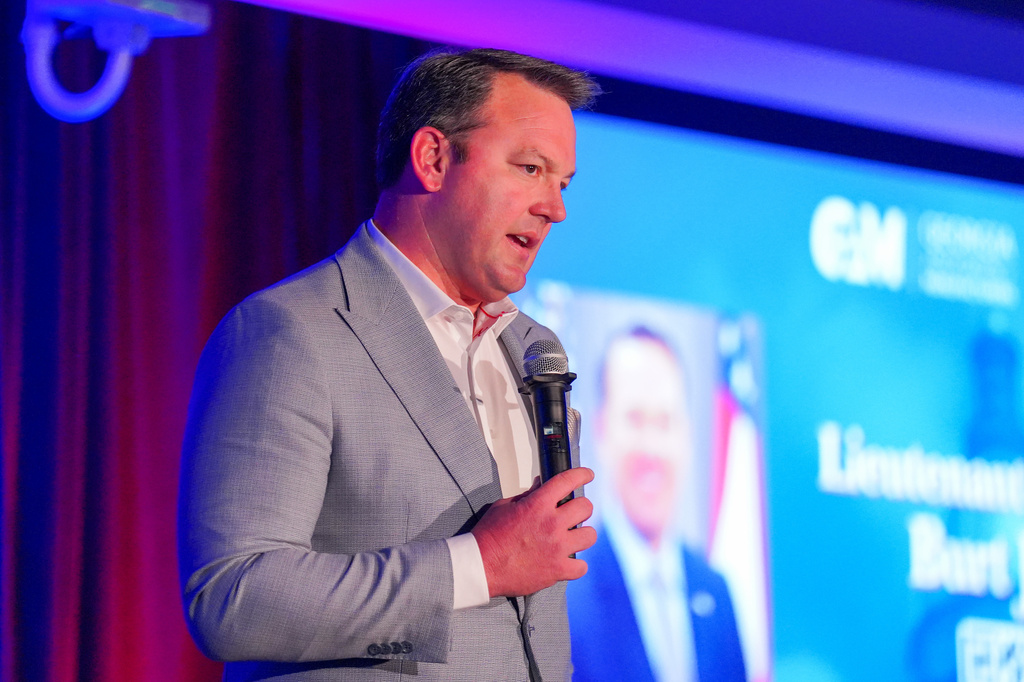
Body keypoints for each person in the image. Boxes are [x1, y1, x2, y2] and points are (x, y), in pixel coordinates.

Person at [177, 48, 600, 681]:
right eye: (530, 168)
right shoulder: (290, 332)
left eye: (561, 183)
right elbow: (233, 599)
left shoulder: (532, 350)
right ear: (433, 158)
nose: (554, 207)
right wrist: (478, 563)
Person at [567, 327, 746, 682]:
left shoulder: (715, 590)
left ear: (687, 435)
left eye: (665, 421)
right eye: (634, 419)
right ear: (602, 431)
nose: (651, 447)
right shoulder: (569, 595)